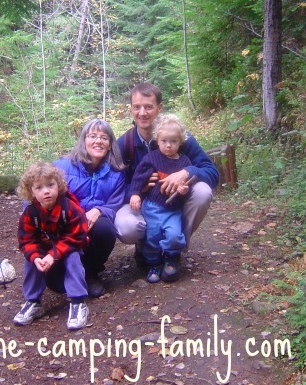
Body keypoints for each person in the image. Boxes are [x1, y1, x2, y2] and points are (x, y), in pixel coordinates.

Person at [116, 83, 220, 267]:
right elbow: (112, 187)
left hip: (174, 203)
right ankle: (145, 245)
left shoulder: (178, 137)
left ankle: (174, 249)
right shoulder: (125, 143)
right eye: (137, 107)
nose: (142, 113)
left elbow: (212, 172)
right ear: (131, 109)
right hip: (140, 204)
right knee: (127, 227)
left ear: (159, 108)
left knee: (202, 192)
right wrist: (139, 189)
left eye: (148, 106)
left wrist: (186, 172)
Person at [54, 118, 125, 297]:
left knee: (105, 228)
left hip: (92, 226)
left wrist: (100, 210)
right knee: (56, 284)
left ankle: (90, 272)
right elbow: (37, 193)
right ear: (84, 140)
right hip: (63, 226)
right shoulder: (61, 167)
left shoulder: (116, 173)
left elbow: (116, 203)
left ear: (110, 145)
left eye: (104, 137)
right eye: (93, 136)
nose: (98, 141)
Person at [14, 161, 89, 330]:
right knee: (31, 260)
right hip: (45, 252)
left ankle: (78, 302)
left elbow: (78, 235)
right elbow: (26, 241)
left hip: (68, 248)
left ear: (59, 185)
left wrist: (54, 254)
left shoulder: (69, 208)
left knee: (73, 257)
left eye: (50, 185)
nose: (46, 191)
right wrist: (36, 257)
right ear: (31, 191)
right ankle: (33, 301)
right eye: (39, 188)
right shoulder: (30, 214)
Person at [129, 114, 193, 283]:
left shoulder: (184, 161)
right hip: (152, 207)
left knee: (174, 234)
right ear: (157, 140)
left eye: (173, 141)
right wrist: (135, 193)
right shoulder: (151, 158)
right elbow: (138, 177)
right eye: (164, 141)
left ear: (180, 141)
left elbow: (187, 185)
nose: (168, 145)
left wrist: (183, 189)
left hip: (173, 209)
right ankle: (154, 263)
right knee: (153, 236)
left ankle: (171, 258)